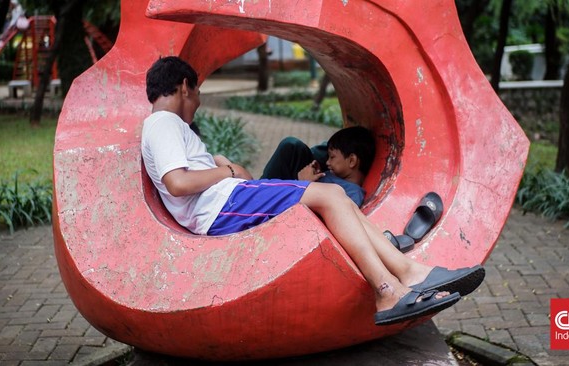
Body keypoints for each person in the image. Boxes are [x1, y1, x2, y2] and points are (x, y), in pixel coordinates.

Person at [141, 56, 485, 325]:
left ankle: (409, 274)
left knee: (335, 198)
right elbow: (178, 182)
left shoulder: (165, 126)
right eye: (198, 91)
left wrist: (223, 167)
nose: (198, 101)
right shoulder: (163, 122)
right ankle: (387, 290)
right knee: (330, 195)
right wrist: (227, 170)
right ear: (185, 86)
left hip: (229, 199)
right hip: (220, 208)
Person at [261, 126, 375, 207]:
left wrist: (303, 184)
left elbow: (322, 220)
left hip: (293, 200)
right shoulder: (333, 174)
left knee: (289, 145)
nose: (327, 162)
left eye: (332, 157)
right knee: (290, 147)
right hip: (294, 189)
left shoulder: (353, 193)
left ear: (352, 161)